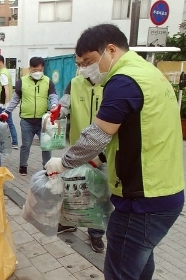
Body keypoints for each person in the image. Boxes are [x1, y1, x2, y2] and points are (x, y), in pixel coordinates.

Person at [44, 24, 185, 280]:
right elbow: (138, 133)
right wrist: (99, 159)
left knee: (121, 271)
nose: (84, 69)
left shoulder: (124, 81)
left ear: (110, 50)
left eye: (88, 61)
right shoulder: (147, 72)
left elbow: (98, 134)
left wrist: (63, 163)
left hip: (142, 200)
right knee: (140, 262)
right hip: (164, 191)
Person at [54, 74, 106, 253]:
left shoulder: (110, 83)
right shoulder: (74, 83)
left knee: (98, 193)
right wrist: (57, 111)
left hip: (104, 151)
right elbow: (65, 105)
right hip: (79, 150)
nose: (83, 66)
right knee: (73, 189)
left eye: (86, 61)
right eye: (81, 63)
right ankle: (70, 222)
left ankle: (96, 232)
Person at [0, 57, 58, 175]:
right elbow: (15, 99)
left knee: (46, 146)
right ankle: (23, 166)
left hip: (43, 121)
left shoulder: (47, 81)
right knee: (26, 145)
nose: (38, 72)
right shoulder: (22, 81)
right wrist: (7, 111)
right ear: (30, 68)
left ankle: (46, 167)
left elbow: (53, 96)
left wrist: (54, 106)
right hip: (27, 121)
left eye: (40, 70)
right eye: (35, 69)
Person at [0, 55, 18, 149]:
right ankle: (14, 142)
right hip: (4, 103)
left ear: (0, 62)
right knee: (9, 122)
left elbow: (6, 90)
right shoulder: (6, 72)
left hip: (1, 104)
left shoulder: (2, 74)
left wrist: (6, 106)